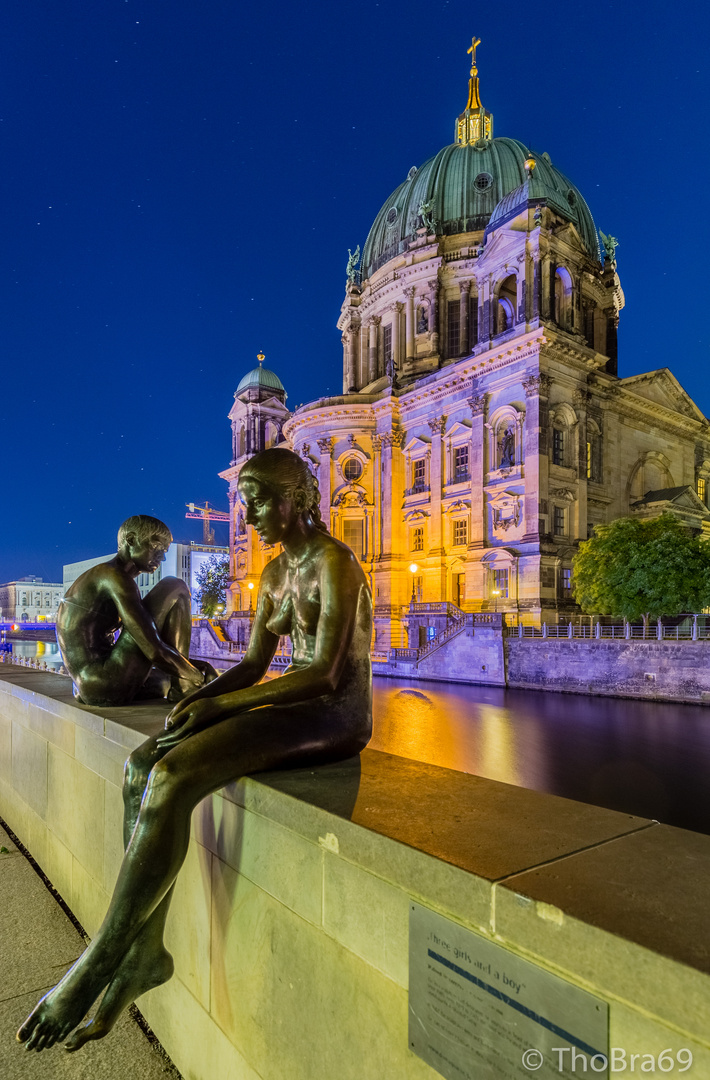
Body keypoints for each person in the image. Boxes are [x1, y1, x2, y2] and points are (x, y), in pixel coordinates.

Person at [17, 447, 373, 1053]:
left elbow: (323, 673)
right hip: (293, 708)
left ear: (298, 496)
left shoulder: (333, 562)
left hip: (334, 716)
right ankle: (144, 952)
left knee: (175, 773)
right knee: (140, 765)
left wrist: (218, 707)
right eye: (245, 499)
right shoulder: (277, 573)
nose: (249, 512)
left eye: (258, 498)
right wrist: (203, 692)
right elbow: (257, 664)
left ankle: (97, 962)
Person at [56, 515, 211, 706]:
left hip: (86, 686)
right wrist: (196, 677)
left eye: (165, 551)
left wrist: (196, 666)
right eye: (157, 548)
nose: (162, 557)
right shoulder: (114, 577)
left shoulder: (106, 576)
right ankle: (184, 690)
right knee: (175, 586)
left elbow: (149, 650)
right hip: (104, 682)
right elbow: (152, 649)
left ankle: (181, 686)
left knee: (165, 680)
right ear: (130, 540)